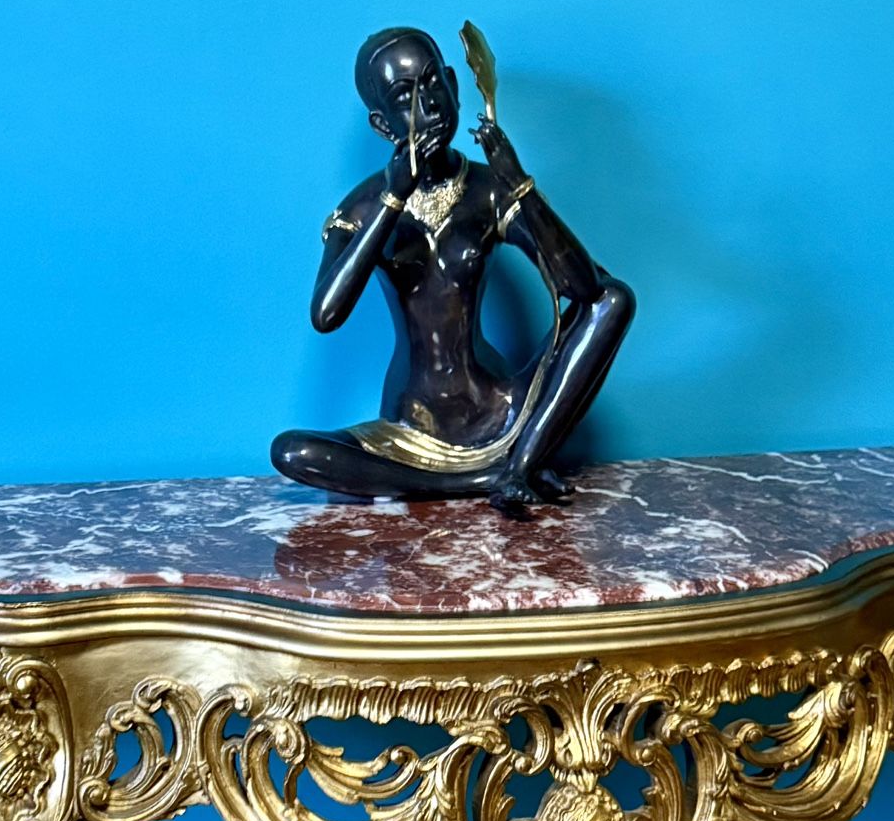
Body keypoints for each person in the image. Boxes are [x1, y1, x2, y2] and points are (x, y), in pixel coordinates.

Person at [271, 27, 634, 508]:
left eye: (434, 83)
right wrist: (393, 196)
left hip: (501, 410)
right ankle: (481, 482)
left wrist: (518, 183)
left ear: (455, 86)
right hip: (410, 430)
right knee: (292, 451)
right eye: (407, 97)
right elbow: (327, 314)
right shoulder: (361, 209)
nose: (431, 106)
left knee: (615, 299)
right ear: (383, 126)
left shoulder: (487, 190)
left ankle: (520, 461)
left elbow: (584, 288)